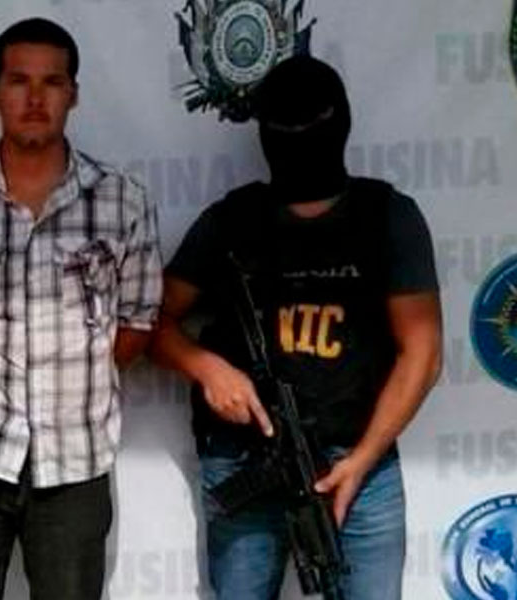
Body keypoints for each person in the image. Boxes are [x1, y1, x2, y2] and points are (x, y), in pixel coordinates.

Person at [152, 55, 442, 599]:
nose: (301, 141)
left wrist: (361, 461)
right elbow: (148, 318)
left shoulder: (388, 217)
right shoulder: (232, 221)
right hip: (246, 457)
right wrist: (207, 368)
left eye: (312, 124)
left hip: (361, 462)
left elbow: (422, 353)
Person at [0, 17, 162, 600]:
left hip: (74, 460)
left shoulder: (123, 202)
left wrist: (68, 384)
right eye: (19, 81)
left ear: (74, 93)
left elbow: (136, 325)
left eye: (53, 82)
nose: (36, 98)